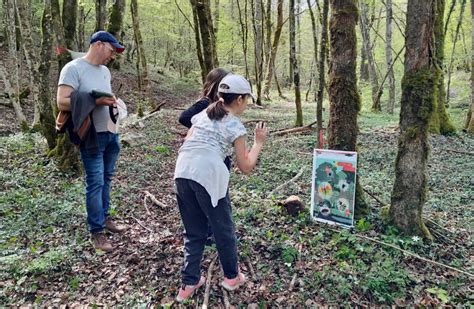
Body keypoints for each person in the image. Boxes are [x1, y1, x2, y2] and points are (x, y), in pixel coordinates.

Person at [174, 74, 268, 302]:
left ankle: (189, 283)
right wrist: (259, 143)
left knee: (194, 231)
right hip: (208, 177)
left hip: (182, 172)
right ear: (239, 100)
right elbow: (246, 167)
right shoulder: (235, 125)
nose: (247, 104)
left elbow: (189, 141)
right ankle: (231, 278)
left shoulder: (201, 115)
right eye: (247, 99)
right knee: (223, 229)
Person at [56, 31, 127, 252]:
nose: (113, 55)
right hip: (91, 137)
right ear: (98, 44)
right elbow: (62, 102)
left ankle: (105, 218)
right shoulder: (73, 69)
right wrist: (95, 101)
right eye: (111, 49)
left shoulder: (105, 71)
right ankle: (96, 232)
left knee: (107, 178)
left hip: (111, 132)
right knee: (95, 182)